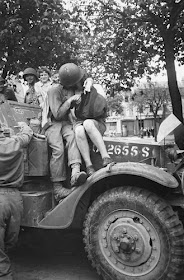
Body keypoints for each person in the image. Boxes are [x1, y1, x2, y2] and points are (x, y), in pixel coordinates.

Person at [58, 63, 113, 177]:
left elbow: (101, 109)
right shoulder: (71, 95)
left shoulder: (95, 88)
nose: (76, 85)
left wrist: (89, 90)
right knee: (78, 130)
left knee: (88, 123)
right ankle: (89, 166)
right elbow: (73, 117)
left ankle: (105, 157)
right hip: (79, 125)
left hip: (96, 123)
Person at [45, 72, 87, 203]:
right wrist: (70, 101)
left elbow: (86, 82)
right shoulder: (54, 90)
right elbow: (57, 114)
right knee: (58, 149)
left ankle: (75, 173)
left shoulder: (72, 89)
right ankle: (57, 188)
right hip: (51, 123)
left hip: (66, 122)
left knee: (73, 137)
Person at [0, 122, 33, 279]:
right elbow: (27, 134)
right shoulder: (16, 142)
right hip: (15, 198)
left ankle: (4, 274)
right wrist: (24, 125)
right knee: (11, 240)